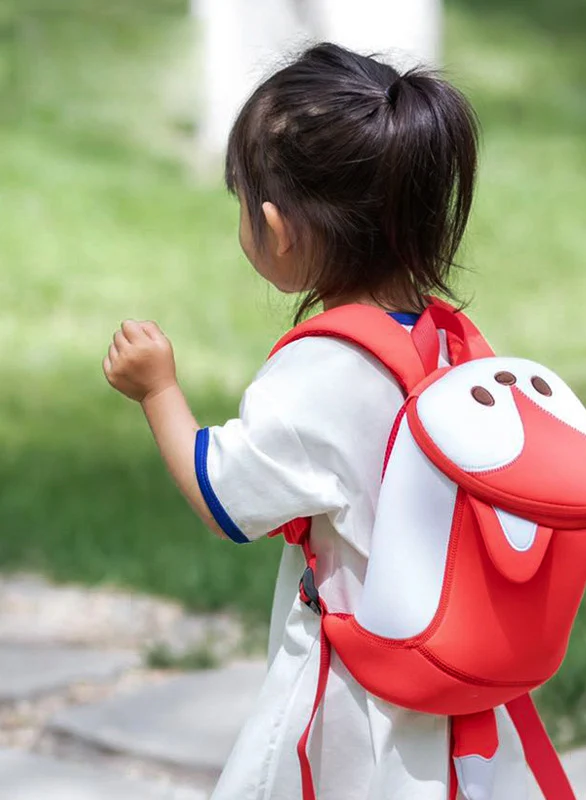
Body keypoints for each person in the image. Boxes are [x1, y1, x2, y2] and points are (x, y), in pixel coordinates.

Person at [103, 43, 535, 800]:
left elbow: (222, 498)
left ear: (277, 227)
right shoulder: (446, 337)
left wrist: (157, 392)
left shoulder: (326, 373)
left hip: (358, 695)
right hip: (453, 682)